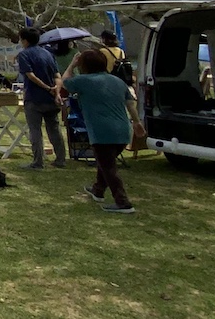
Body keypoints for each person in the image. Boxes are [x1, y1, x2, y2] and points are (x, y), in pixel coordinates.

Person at [62, 49, 144, 214]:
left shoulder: (84, 81)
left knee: (109, 167)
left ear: (84, 65)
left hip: (101, 131)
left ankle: (123, 203)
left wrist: (71, 65)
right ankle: (98, 190)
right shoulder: (117, 81)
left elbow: (64, 82)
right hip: (122, 130)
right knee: (106, 162)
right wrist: (136, 122)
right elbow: (130, 104)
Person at [16, 27, 67, 170]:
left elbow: (30, 76)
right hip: (51, 99)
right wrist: (56, 92)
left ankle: (38, 162)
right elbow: (57, 76)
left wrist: (46, 87)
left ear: (25, 40)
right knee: (54, 129)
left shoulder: (24, 55)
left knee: (35, 131)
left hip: (34, 98)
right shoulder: (48, 54)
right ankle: (61, 159)